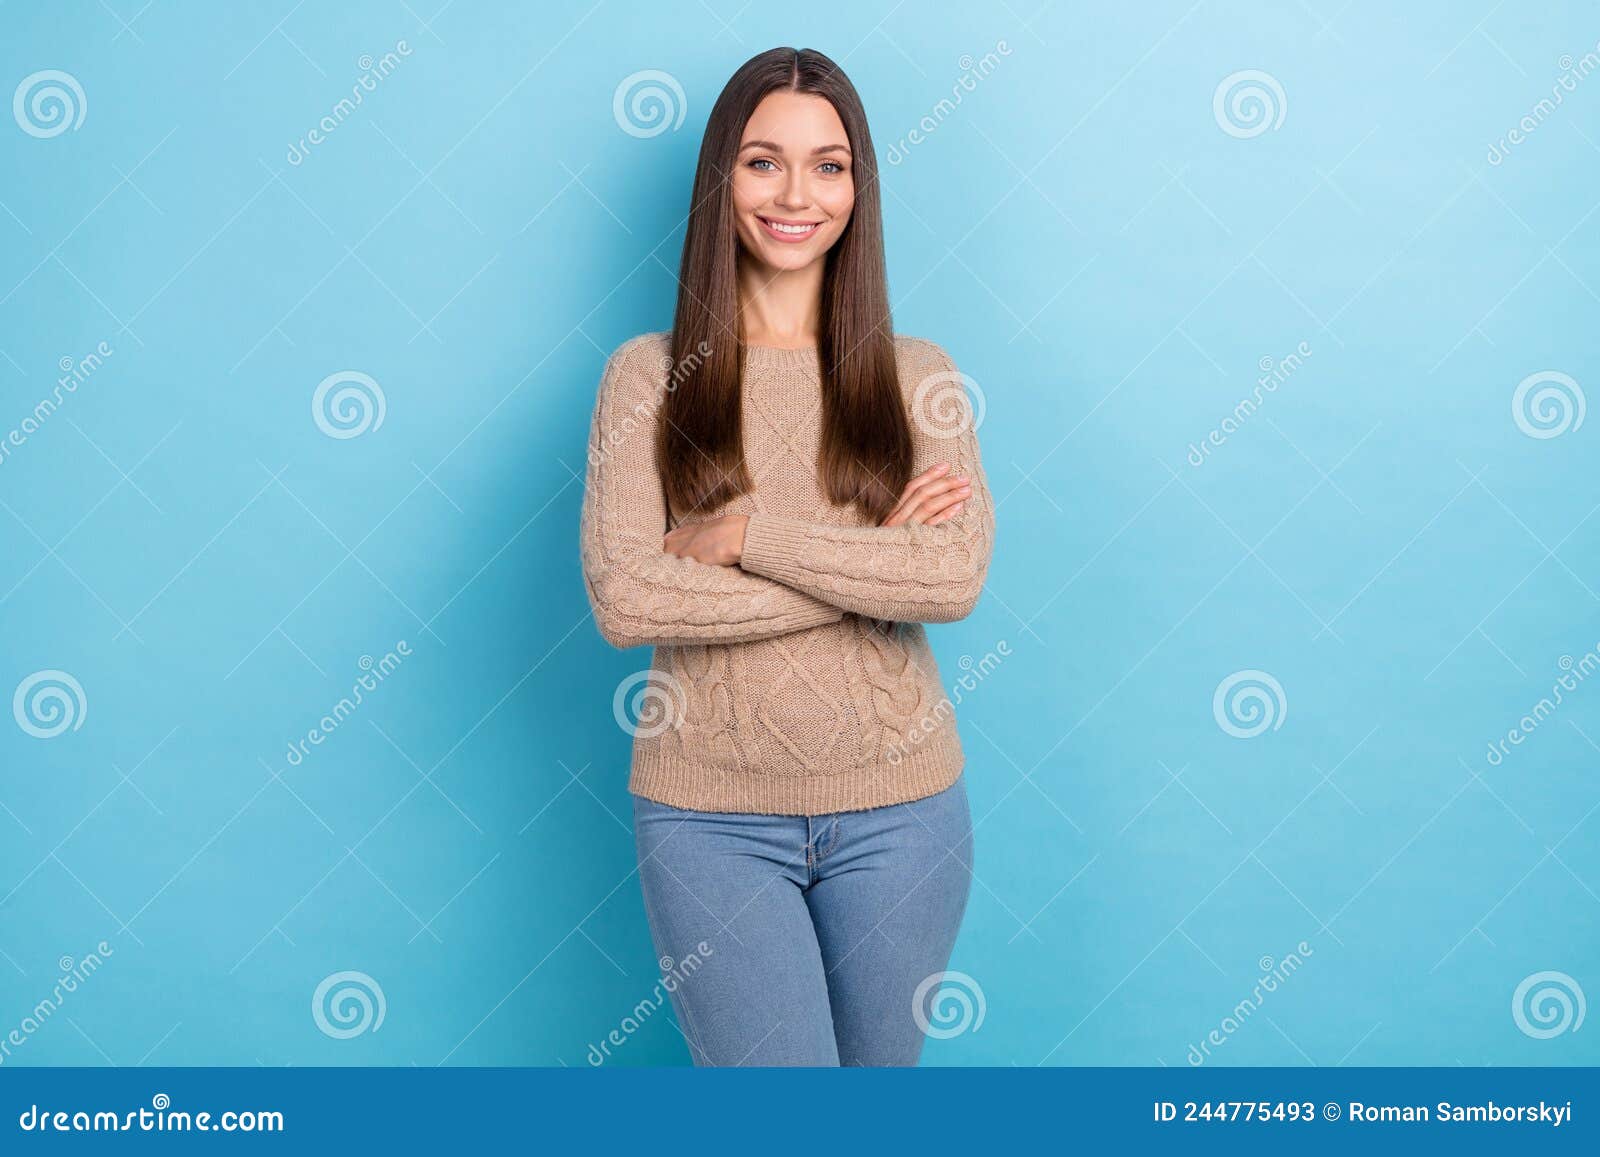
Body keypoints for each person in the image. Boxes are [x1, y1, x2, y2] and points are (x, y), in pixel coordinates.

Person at [579, 46, 996, 1066]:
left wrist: (747, 537)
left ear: (859, 187)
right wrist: (863, 563)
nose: (796, 194)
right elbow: (628, 600)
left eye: (829, 163)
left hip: (904, 811)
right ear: (721, 178)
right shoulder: (648, 377)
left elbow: (950, 578)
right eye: (763, 161)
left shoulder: (917, 375)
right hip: (706, 818)